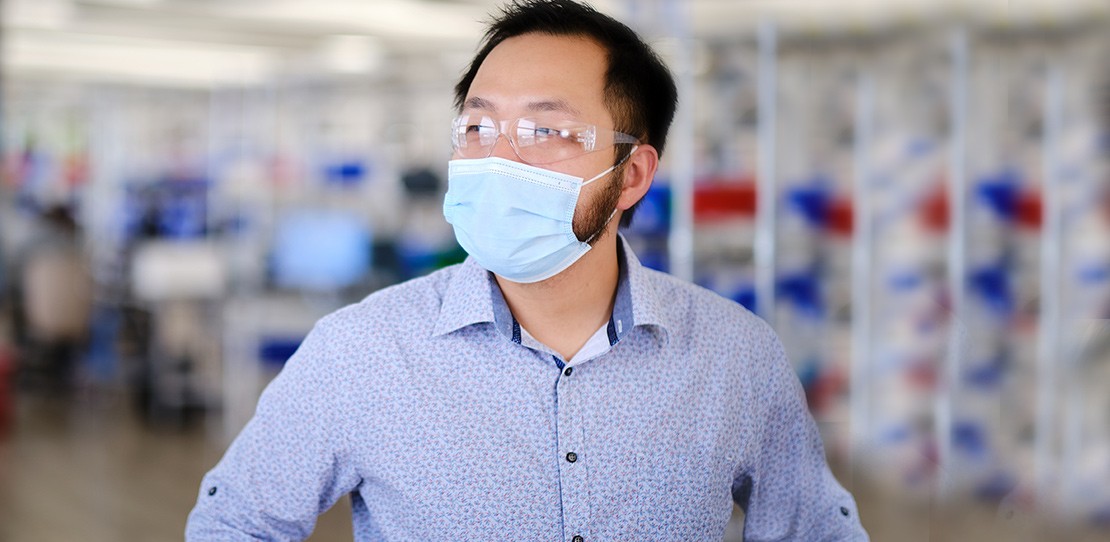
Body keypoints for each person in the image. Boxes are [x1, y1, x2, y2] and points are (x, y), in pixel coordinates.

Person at [186, 1, 868, 540]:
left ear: (631, 175)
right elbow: (235, 523)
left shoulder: (735, 357)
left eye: (547, 132)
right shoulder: (360, 351)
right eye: (479, 129)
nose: (499, 162)